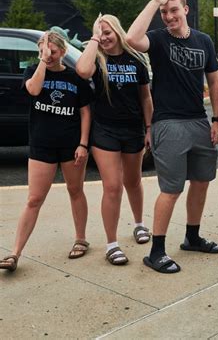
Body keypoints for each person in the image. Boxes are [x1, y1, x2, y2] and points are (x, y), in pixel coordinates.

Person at [126, 0, 218, 274]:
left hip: (198, 120)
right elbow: (131, 38)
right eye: (164, 12)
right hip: (168, 123)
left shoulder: (203, 41)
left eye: (173, 10)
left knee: (202, 180)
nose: (169, 16)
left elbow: (215, 81)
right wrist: (154, 2)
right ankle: (156, 252)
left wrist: (217, 120)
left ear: (186, 10)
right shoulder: (157, 39)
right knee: (171, 188)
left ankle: (192, 237)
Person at [0, 32, 92, 273]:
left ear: (62, 51)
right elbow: (33, 90)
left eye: (53, 51)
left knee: (75, 190)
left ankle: (81, 239)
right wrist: (42, 61)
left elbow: (85, 112)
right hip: (42, 145)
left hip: (71, 146)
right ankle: (14, 253)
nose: (49, 55)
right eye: (44, 50)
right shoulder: (33, 71)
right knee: (34, 199)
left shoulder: (75, 78)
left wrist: (83, 144)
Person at [76, 14, 153, 266]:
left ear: (118, 32)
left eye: (108, 32)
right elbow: (82, 70)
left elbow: (145, 98)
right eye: (101, 32)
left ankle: (139, 224)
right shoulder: (97, 60)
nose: (105, 37)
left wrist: (149, 127)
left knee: (133, 181)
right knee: (112, 186)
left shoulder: (136, 60)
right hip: (105, 131)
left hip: (133, 130)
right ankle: (112, 244)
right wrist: (95, 39)